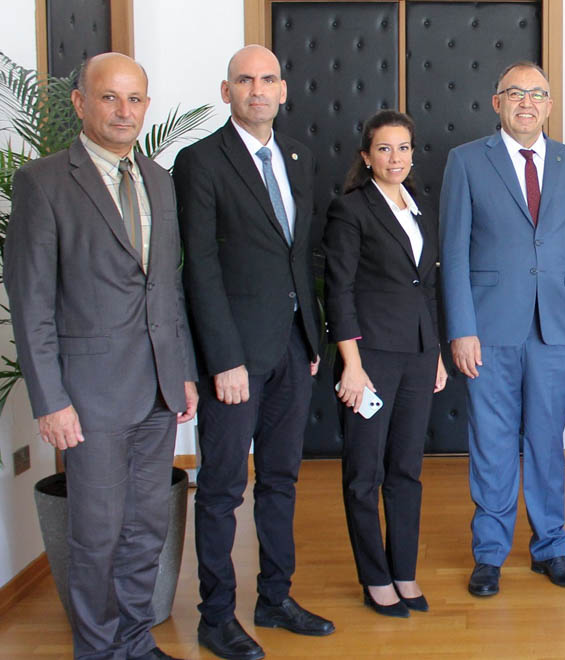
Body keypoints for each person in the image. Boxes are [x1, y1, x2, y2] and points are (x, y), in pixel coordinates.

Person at [5, 52, 197, 660]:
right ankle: (97, 650)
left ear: (147, 106)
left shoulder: (159, 179)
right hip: (89, 397)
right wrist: (50, 400)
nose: (123, 111)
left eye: (135, 99)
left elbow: (167, 287)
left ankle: (135, 642)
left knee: (147, 529)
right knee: (96, 535)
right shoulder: (43, 182)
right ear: (81, 103)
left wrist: (183, 372)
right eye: (109, 97)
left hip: (158, 389)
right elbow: (31, 302)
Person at [174, 45, 333, 659]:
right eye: (245, 80)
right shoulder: (200, 161)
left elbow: (300, 255)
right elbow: (200, 266)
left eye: (268, 79)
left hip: (293, 347)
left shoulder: (298, 156)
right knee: (220, 488)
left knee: (281, 479)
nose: (257, 90)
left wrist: (311, 336)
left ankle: (275, 598)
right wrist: (223, 358)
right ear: (227, 91)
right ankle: (215, 617)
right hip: (235, 356)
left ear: (283, 89)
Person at [439, 61, 565, 597]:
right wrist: (461, 328)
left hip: (556, 326)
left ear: (549, 104)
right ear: (497, 102)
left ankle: (551, 547)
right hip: (488, 327)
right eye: (516, 93)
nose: (527, 102)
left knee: (548, 441)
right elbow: (454, 251)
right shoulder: (465, 161)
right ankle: (490, 553)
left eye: (537, 94)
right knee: (493, 442)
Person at [323, 110, 448, 617]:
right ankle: (375, 577)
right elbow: (339, 290)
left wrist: (435, 353)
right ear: (366, 156)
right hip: (369, 359)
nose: (395, 158)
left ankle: (403, 571)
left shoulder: (420, 206)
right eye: (384, 149)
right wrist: (351, 366)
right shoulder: (350, 209)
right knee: (364, 473)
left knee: (406, 469)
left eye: (403, 148)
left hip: (418, 356)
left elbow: (428, 288)